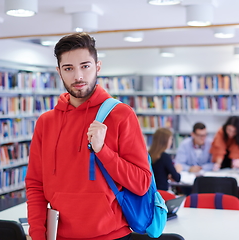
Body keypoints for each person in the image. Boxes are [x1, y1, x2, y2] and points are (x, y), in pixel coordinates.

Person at [25, 33, 151, 240]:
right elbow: (35, 185)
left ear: (98, 67)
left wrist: (103, 151)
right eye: (69, 68)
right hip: (59, 236)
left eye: (85, 66)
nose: (78, 77)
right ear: (59, 72)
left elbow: (141, 183)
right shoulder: (46, 122)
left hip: (112, 235)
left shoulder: (121, 115)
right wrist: (38, 234)